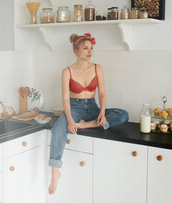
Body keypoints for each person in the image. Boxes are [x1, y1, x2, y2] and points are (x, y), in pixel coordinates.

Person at [48, 33, 129, 195]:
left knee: (123, 114)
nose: (89, 51)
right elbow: (64, 98)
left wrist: (102, 113)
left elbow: (103, 94)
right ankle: (55, 171)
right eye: (85, 48)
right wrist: (70, 120)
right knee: (57, 130)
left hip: (92, 108)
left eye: (91, 48)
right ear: (76, 50)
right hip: (74, 108)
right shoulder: (67, 71)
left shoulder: (97, 68)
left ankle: (87, 124)